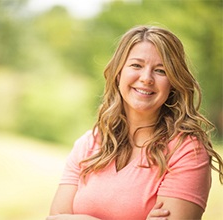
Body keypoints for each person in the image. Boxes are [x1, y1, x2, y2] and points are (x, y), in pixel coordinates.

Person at [46, 25, 223, 220]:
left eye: (160, 70)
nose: (146, 78)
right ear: (118, 73)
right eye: (136, 66)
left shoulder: (186, 151)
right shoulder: (88, 144)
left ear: (173, 83)